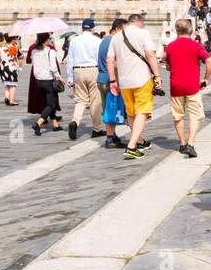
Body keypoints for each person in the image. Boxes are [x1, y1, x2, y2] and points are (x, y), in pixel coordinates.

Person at [107, 12, 162, 161]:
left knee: (131, 113)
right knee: (142, 111)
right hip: (141, 78)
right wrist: (157, 76)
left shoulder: (116, 37)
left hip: (124, 81)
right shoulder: (143, 33)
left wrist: (113, 81)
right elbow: (150, 55)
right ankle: (131, 146)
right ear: (140, 22)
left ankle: (139, 142)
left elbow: (109, 60)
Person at [164, 18, 211, 158]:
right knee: (195, 115)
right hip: (192, 86)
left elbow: (167, 66)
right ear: (191, 30)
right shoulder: (196, 46)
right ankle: (191, 144)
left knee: (178, 115)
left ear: (176, 30)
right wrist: (206, 78)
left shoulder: (170, 46)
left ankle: (182, 143)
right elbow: (209, 61)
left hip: (176, 86)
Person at [64, 19, 103, 139]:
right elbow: (100, 58)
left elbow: (70, 59)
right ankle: (96, 129)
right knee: (95, 101)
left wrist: (70, 77)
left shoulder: (74, 40)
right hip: (93, 70)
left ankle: (75, 121)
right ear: (92, 28)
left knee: (81, 100)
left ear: (82, 28)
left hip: (78, 70)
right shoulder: (97, 40)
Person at [96, 18, 126, 147]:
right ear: (118, 28)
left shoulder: (104, 40)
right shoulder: (113, 41)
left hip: (101, 78)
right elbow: (113, 63)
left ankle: (112, 135)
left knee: (108, 108)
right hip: (110, 79)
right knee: (112, 109)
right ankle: (110, 138)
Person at [28, 31, 64, 134]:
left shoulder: (34, 51)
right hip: (48, 80)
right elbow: (53, 67)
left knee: (49, 102)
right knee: (51, 104)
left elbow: (33, 65)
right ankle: (38, 123)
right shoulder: (50, 51)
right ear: (46, 40)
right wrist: (59, 77)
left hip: (38, 81)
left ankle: (55, 124)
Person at [0, 33, 20, 107]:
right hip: (11, 66)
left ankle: (7, 97)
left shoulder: (2, 48)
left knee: (7, 83)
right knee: (13, 84)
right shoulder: (14, 48)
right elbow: (17, 57)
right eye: (14, 39)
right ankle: (12, 100)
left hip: (3, 66)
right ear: (12, 39)